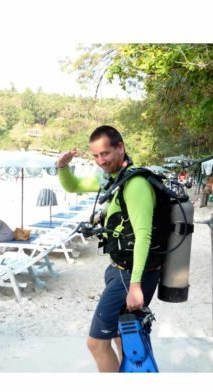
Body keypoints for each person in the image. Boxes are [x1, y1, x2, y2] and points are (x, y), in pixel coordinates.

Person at [56, 125, 160, 372]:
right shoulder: (112, 180)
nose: (101, 160)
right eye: (96, 156)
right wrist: (62, 166)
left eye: (105, 153)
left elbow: (143, 235)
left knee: (96, 343)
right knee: (123, 336)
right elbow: (73, 185)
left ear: (120, 148)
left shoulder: (135, 184)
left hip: (132, 274)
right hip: (118, 270)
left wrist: (135, 285)